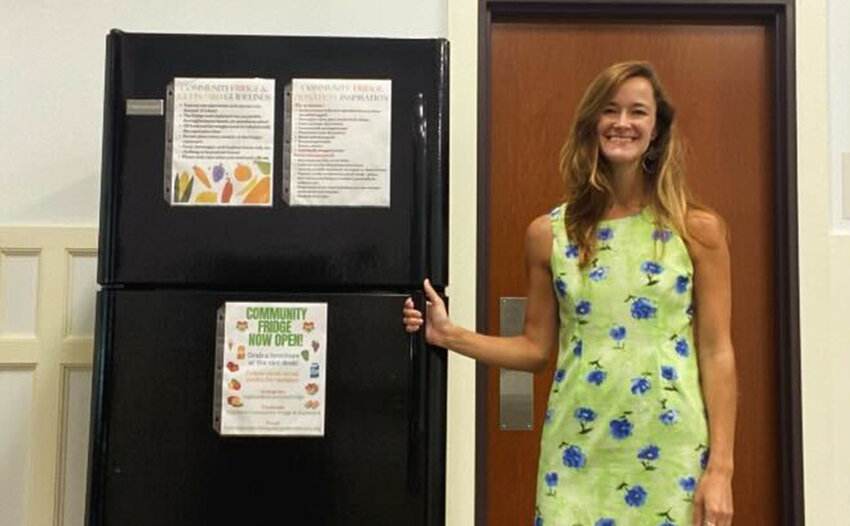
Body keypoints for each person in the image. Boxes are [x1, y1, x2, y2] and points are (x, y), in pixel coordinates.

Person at [403, 61, 736, 526]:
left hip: (672, 454)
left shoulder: (696, 231)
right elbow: (536, 349)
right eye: (610, 110)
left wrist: (721, 469)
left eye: (638, 112)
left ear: (657, 129)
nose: (623, 122)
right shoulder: (549, 235)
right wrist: (448, 334)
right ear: (591, 124)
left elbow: (717, 351)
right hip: (576, 453)